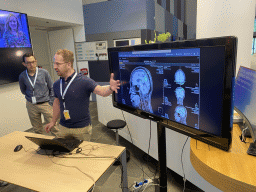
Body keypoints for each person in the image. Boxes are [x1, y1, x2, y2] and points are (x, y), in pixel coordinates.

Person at [44, 49, 120, 141]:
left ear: (68, 64)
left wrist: (111, 88)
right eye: (54, 63)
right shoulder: (57, 84)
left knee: (81, 154)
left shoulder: (84, 81)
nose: (54, 67)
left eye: (58, 64)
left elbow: (102, 91)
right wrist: (53, 121)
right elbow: (57, 103)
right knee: (62, 154)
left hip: (81, 129)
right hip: (63, 127)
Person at [19, 53, 56, 134]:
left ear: (36, 61)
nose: (31, 65)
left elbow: (51, 87)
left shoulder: (44, 72)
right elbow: (23, 90)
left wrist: (51, 102)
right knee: (37, 130)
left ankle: (59, 145)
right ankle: (41, 145)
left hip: (46, 104)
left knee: (54, 128)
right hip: (31, 105)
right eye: (28, 63)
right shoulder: (22, 76)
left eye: (33, 62)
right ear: (24, 64)